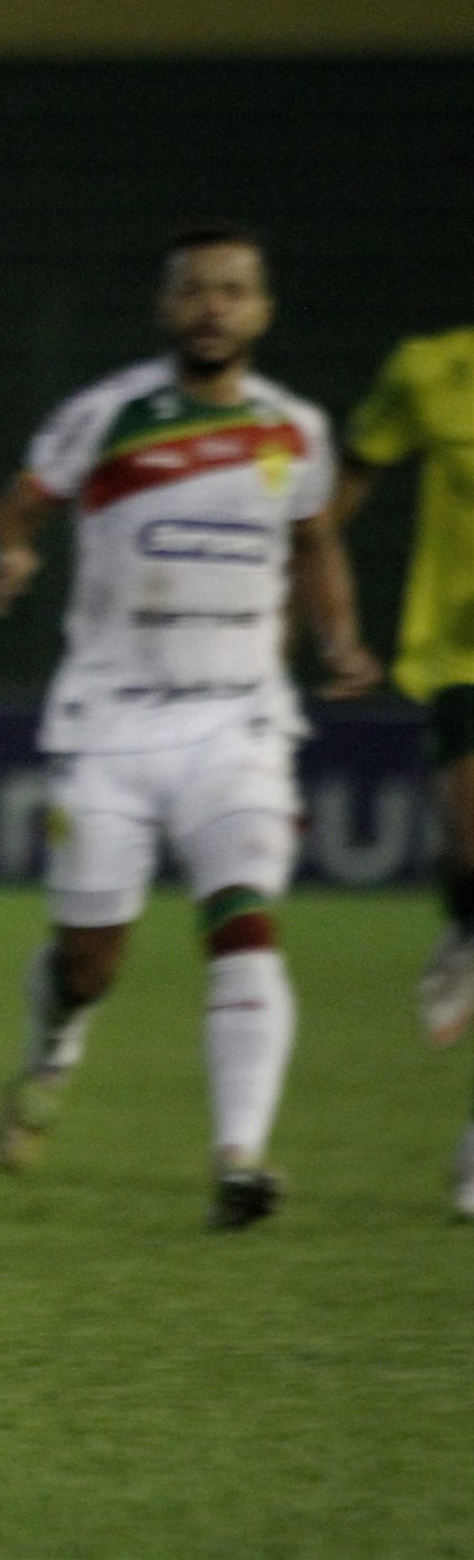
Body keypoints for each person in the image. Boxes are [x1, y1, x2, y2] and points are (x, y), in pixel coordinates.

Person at [0, 224, 381, 1227]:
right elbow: (10, 515)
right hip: (109, 725)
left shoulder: (294, 430)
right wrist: (4, 559)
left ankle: (239, 1157)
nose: (213, 305)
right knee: (88, 961)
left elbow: (316, 544)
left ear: (261, 310)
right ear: (167, 309)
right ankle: (51, 1048)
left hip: (237, 725)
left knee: (243, 926)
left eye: (233, 290)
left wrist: (339, 641)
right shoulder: (104, 416)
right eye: (195, 289)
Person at [338, 319, 474, 1215]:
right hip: (463, 660)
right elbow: (348, 480)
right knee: (472, 855)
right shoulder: (431, 368)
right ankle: (464, 927)